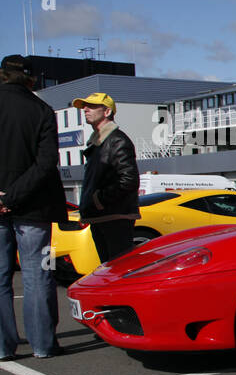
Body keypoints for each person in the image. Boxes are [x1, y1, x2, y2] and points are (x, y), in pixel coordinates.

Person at [0, 54, 64, 359]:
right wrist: (12, 197)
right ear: (31, 79)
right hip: (33, 205)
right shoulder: (42, 111)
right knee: (37, 275)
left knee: (0, 278)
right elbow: (46, 163)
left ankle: (2, 346)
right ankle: (42, 344)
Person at [75, 92, 139, 264]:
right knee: (110, 269)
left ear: (107, 112)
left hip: (114, 217)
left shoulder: (117, 140)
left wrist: (99, 200)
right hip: (104, 216)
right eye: (84, 106)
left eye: (92, 106)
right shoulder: (98, 142)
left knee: (118, 269)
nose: (85, 109)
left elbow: (129, 180)